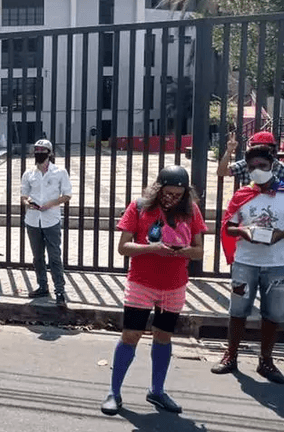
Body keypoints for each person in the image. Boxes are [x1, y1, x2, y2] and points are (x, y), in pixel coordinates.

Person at [100, 166, 206, 416]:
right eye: (168, 193)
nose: (172, 198)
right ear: (158, 189)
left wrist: (181, 250)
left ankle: (156, 391)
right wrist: (152, 248)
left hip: (174, 285)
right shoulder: (139, 207)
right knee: (131, 335)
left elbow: (199, 250)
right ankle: (114, 392)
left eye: (178, 194)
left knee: (163, 336)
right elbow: (123, 247)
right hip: (141, 283)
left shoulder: (191, 211)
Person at [212, 145, 284, 383]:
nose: (257, 171)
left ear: (272, 165)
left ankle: (266, 360)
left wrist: (279, 235)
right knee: (238, 311)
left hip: (277, 264)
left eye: (262, 166)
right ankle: (230, 356)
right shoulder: (242, 194)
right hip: (245, 263)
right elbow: (228, 227)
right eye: (252, 167)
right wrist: (243, 232)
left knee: (273, 313)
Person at [20, 139, 72, 305]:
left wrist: (50, 204)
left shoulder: (60, 172)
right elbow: (23, 195)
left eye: (42, 150)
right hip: (33, 220)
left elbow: (67, 195)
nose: (39, 153)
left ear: (50, 153)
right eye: (36, 150)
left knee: (55, 257)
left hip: (51, 219)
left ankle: (59, 290)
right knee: (38, 257)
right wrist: (27, 202)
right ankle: (42, 286)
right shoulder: (29, 173)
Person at [217, 130, 284, 186]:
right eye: (257, 148)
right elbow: (221, 172)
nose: (261, 151)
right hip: (249, 200)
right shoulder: (245, 164)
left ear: (272, 149)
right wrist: (229, 151)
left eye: (264, 148)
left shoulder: (280, 167)